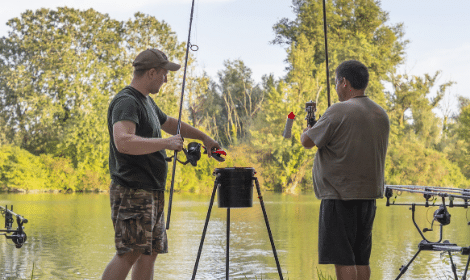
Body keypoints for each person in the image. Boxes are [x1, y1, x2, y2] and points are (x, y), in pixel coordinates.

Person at [102, 48, 220, 280]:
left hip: (151, 190)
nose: (167, 79)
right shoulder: (126, 102)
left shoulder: (146, 102)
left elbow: (170, 123)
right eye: (165, 74)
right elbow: (123, 142)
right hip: (132, 190)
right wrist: (166, 143)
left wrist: (203, 137)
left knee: (149, 252)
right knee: (130, 251)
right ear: (152, 72)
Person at [300, 60, 390, 280]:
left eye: (337, 82)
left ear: (344, 82)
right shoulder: (380, 113)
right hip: (368, 198)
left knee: (344, 260)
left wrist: (310, 126)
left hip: (340, 197)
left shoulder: (339, 110)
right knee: (361, 259)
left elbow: (307, 141)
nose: (337, 86)